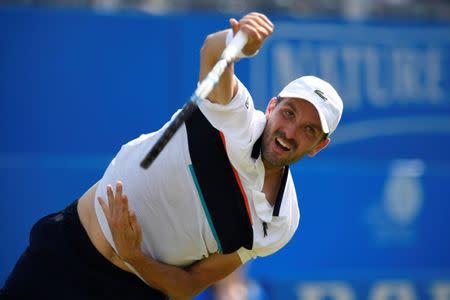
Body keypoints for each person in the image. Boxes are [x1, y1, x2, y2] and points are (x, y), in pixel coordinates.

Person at [0, 12, 343, 300]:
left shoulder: (279, 223)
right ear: (272, 107)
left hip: (135, 291)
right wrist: (238, 41)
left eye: (310, 130)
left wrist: (134, 255)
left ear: (318, 146)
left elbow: (190, 285)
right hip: (67, 250)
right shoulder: (233, 115)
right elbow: (212, 50)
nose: (290, 131)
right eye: (289, 113)